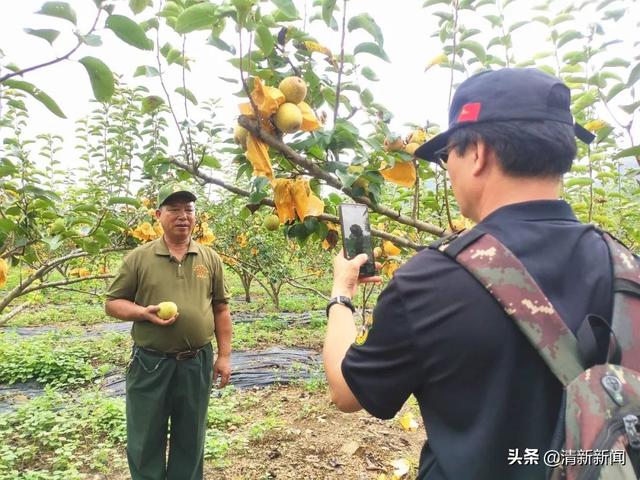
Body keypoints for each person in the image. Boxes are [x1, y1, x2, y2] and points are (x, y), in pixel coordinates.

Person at [323, 68, 616, 479]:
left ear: (476, 152)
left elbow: (345, 390)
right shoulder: (626, 269)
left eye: (447, 156)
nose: (448, 169)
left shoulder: (430, 282)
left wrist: (341, 293)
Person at [105, 183, 231, 480]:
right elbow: (113, 303)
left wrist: (224, 356)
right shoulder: (139, 257)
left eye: (188, 209)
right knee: (145, 435)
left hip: (196, 361)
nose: (182, 215)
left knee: (190, 437)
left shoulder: (209, 258)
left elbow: (221, 309)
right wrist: (142, 312)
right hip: (151, 363)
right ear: (159, 215)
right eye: (174, 209)